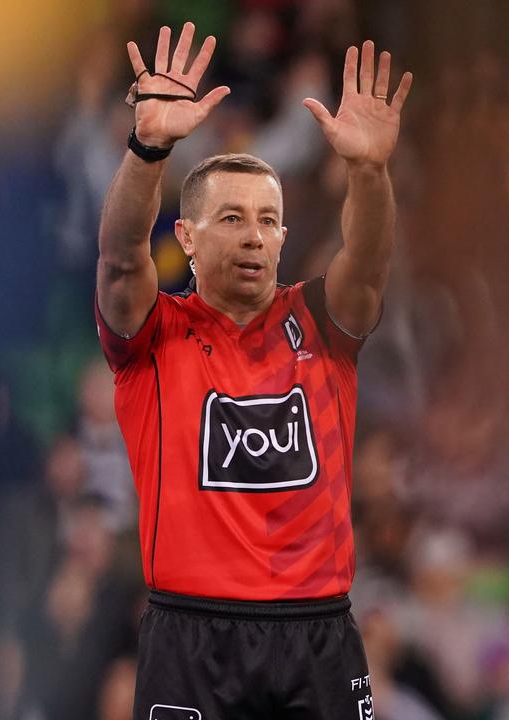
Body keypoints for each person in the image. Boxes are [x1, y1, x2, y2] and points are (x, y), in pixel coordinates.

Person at [93, 21, 411, 719]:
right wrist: (149, 149)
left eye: (269, 220)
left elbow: (369, 260)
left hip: (318, 634)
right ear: (186, 235)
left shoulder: (324, 325)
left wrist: (369, 171)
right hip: (191, 637)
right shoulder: (154, 334)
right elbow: (119, 258)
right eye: (232, 218)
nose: (254, 236)